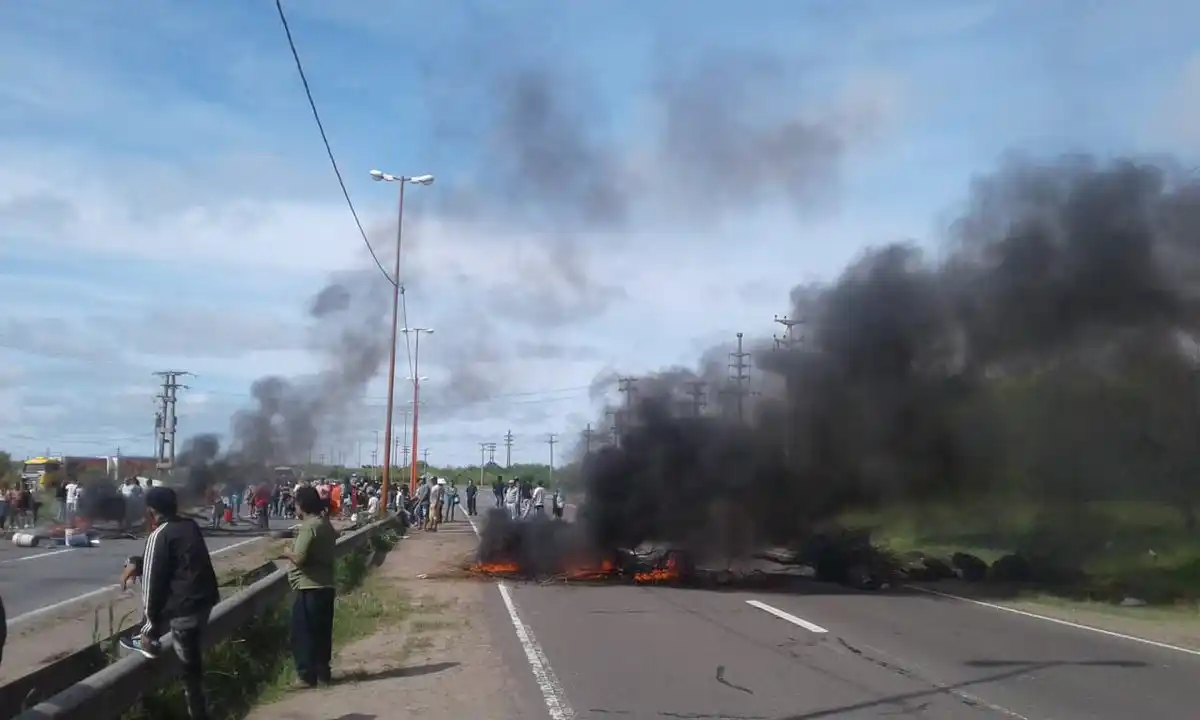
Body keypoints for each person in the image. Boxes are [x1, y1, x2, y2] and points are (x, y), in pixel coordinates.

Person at [119, 487, 219, 720]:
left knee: (190, 677)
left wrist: (147, 630)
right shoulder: (189, 527)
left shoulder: (159, 535)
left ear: (151, 511)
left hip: (184, 611)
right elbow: (174, 563)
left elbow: (153, 586)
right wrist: (137, 562)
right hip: (203, 604)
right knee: (193, 668)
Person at [277, 486, 338, 688]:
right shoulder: (325, 525)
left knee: (303, 633)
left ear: (301, 505)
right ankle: (323, 672)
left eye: (295, 503)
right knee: (322, 632)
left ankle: (306, 675)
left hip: (308, 587)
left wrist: (286, 552)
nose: (294, 506)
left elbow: (300, 557)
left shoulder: (309, 527)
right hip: (326, 585)